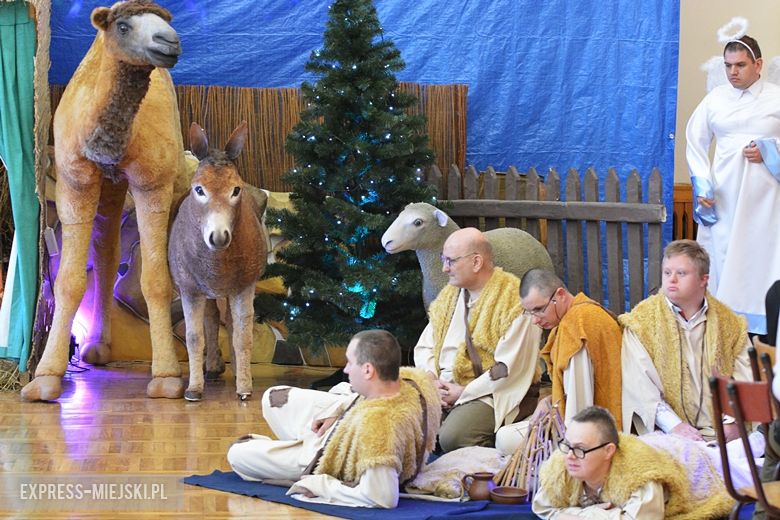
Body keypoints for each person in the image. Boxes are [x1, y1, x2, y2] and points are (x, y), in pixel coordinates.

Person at [227, 329, 441, 508]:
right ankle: (297, 443)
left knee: (237, 453)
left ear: (368, 370)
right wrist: (337, 410)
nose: (346, 369)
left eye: (350, 363)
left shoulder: (379, 426)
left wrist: (321, 485)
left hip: (327, 455)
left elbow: (383, 498)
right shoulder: (413, 380)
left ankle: (296, 455)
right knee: (273, 398)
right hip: (346, 418)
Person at [413, 227, 542, 453]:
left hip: (490, 393)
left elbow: (506, 368)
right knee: (405, 421)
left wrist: (463, 392)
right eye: (443, 260)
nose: (444, 268)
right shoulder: (449, 296)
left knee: (453, 437)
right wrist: (430, 379)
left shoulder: (514, 302)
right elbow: (425, 346)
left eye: (450, 261)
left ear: (476, 262)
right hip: (442, 388)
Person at [686, 34, 780, 336]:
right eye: (728, 66)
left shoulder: (776, 98)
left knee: (763, 260)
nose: (733, 72)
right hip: (724, 196)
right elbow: (694, 140)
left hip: (765, 201)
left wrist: (770, 151)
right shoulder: (715, 99)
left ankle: (766, 328)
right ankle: (722, 327)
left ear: (758, 64)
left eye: (740, 65)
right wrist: (703, 185)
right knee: (723, 256)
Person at [620, 240, 752, 441]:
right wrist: (675, 426)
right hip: (666, 434)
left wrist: (732, 422)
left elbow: (746, 378)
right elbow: (640, 385)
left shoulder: (731, 324)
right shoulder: (641, 323)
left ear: (703, 279)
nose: (671, 280)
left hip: (723, 433)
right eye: (667, 273)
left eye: (681, 273)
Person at [532, 406, 732, 519]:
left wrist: (577, 515)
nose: (570, 456)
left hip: (693, 459)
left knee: (739, 461)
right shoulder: (562, 464)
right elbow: (544, 508)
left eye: (581, 449)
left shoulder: (643, 474)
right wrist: (590, 513)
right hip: (657, 442)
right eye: (567, 445)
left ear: (608, 451)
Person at [515, 269, 622, 432]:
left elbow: (579, 407)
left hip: (597, 431)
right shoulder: (583, 314)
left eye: (539, 309)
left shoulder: (576, 324)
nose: (535, 320)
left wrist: (574, 445)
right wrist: (550, 400)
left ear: (560, 295)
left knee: (504, 439)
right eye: (530, 313)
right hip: (603, 420)